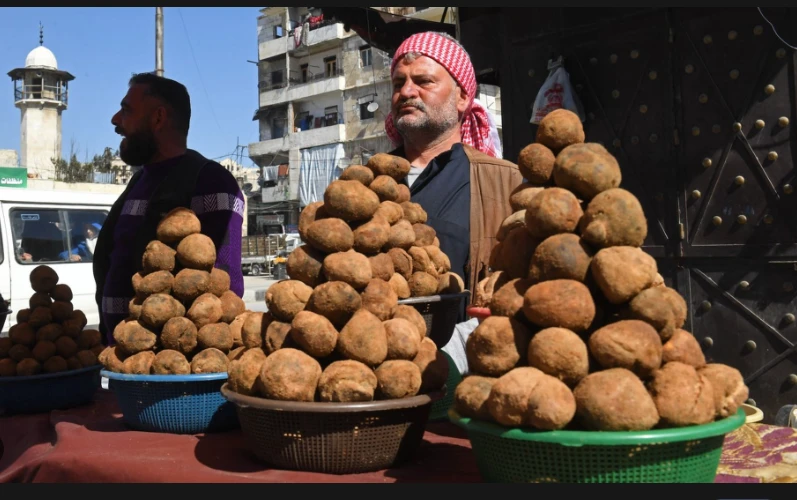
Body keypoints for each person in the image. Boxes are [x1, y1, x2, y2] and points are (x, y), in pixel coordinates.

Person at [385, 31, 523, 374]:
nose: (406, 91)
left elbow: (524, 292)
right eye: (399, 82)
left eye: (423, 81)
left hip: (469, 377)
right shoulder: (368, 183)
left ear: (463, 97)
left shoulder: (506, 183)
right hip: (378, 376)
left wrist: (455, 356)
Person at [93, 73, 245, 345]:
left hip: (168, 365)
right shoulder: (140, 180)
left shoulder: (210, 181)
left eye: (126, 110)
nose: (116, 120)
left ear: (158, 118)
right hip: (124, 357)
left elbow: (223, 288)